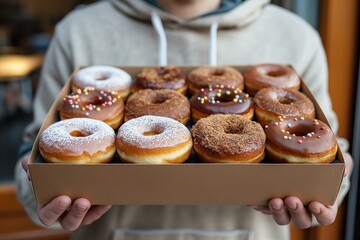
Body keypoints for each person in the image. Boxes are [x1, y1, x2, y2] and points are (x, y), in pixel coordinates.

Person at [15, 0, 353, 240]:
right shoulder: (79, 31)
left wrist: (328, 190)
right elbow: (34, 156)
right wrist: (41, 199)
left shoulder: (295, 36)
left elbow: (331, 156)